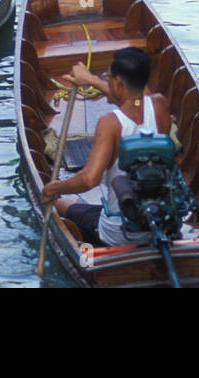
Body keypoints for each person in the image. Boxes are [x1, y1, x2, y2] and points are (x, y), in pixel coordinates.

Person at [40, 47, 172, 248]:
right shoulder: (159, 105)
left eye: (108, 77)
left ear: (118, 82)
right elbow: (134, 98)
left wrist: (54, 187)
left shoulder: (110, 123)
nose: (107, 80)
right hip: (166, 223)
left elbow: (89, 179)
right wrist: (93, 80)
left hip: (119, 233)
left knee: (59, 203)